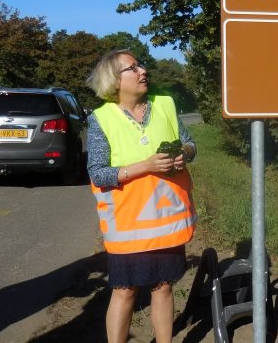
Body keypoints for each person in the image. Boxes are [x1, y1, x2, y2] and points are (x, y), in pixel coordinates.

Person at [86, 49, 198, 343]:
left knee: (163, 287)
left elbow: (189, 144)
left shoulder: (164, 104)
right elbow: (98, 173)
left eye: (141, 65)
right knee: (125, 291)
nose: (142, 70)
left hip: (167, 222)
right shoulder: (101, 119)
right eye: (132, 68)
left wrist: (183, 155)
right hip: (128, 227)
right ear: (114, 80)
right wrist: (145, 166)